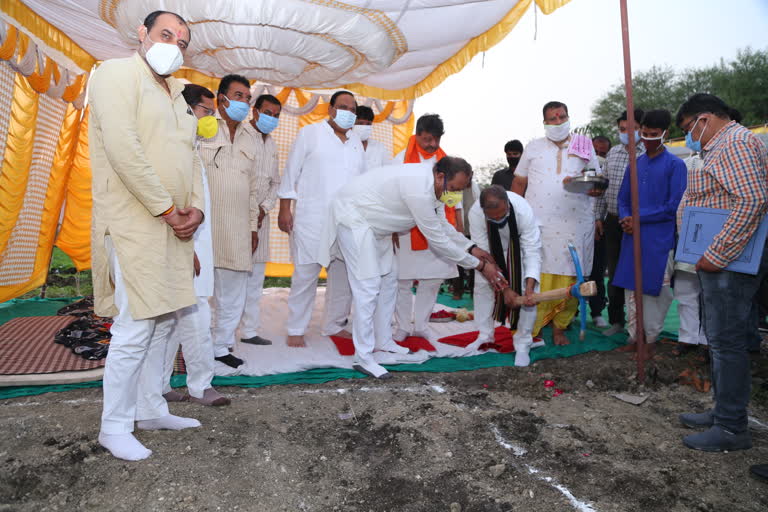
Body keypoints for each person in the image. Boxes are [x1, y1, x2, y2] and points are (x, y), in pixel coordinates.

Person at [89, 10, 204, 461]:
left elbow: (189, 156)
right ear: (142, 34)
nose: (173, 44)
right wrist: (167, 209)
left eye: (182, 40)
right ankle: (113, 426)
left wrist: (193, 207)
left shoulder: (177, 93)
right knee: (135, 325)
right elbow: (123, 148)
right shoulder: (116, 73)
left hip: (174, 224)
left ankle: (150, 408)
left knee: (163, 320)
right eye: (165, 34)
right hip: (136, 220)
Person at [320, 157, 504, 378]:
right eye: (454, 188)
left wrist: (472, 247)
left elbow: (442, 224)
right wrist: (479, 266)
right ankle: (364, 357)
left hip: (375, 224)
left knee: (390, 279)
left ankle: (384, 342)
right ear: (440, 177)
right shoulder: (419, 189)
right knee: (367, 287)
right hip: (354, 219)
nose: (454, 195)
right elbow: (436, 239)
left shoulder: (433, 185)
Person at [675, 93, 768, 452]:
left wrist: (716, 253)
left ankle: (731, 427)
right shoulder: (719, 147)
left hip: (729, 262)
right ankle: (724, 413)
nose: (688, 137)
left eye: (687, 129)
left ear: (705, 119)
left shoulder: (735, 142)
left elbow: (752, 199)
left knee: (727, 341)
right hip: (720, 260)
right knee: (720, 339)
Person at [161, 84, 230, 408]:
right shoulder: (172, 146)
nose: (210, 120)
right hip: (184, 246)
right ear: (186, 109)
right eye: (206, 112)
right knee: (195, 318)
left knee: (172, 321)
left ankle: (160, 385)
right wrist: (187, 251)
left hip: (192, 246)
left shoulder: (189, 147)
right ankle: (201, 386)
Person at [512, 101, 603, 346]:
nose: (558, 121)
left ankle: (560, 327)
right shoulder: (533, 147)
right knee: (538, 273)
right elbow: (519, 183)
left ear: (569, 117)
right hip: (539, 223)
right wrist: (515, 215)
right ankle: (536, 326)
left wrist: (595, 194)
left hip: (576, 222)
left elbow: (596, 180)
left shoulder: (584, 145)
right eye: (552, 118)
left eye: (562, 116)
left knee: (572, 274)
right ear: (544, 122)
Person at [277, 91, 364, 347]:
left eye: (353, 108)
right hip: (313, 219)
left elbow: (362, 182)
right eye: (343, 106)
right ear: (331, 109)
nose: (348, 112)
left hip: (347, 222)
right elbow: (291, 171)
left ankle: (334, 325)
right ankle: (295, 329)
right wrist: (285, 208)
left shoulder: (356, 142)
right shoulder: (310, 133)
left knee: (343, 277)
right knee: (305, 276)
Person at [198, 74, 262, 369]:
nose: (244, 103)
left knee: (234, 290)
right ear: (221, 97)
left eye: (247, 98)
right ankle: (194, 345)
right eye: (238, 96)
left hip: (237, 226)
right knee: (197, 291)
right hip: (203, 226)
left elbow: (255, 188)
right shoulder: (203, 127)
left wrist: (252, 227)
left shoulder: (253, 137)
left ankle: (221, 346)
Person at [613, 110, 687, 357]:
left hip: (659, 238)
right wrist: (625, 218)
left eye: (654, 135)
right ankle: (635, 337)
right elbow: (623, 198)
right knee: (631, 289)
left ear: (666, 134)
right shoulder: (635, 163)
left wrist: (638, 218)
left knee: (656, 290)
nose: (648, 139)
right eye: (644, 134)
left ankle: (651, 339)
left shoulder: (676, 165)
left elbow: (673, 205)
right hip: (631, 235)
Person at [391, 114, 462, 342]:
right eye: (427, 139)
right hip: (405, 229)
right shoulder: (400, 159)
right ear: (417, 134)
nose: (432, 144)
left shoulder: (446, 163)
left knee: (432, 280)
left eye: (436, 140)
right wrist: (391, 229)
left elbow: (454, 201)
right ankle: (402, 326)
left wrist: (457, 229)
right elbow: (390, 198)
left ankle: (421, 325)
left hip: (438, 229)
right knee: (402, 281)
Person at [467, 185, 543, 366]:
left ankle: (523, 343)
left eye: (502, 215)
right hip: (491, 251)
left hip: (519, 249)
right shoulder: (476, 213)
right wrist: (505, 289)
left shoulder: (523, 210)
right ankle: (485, 335)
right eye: (492, 218)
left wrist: (530, 287)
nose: (498, 219)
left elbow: (532, 250)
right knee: (482, 284)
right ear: (484, 211)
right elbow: (483, 253)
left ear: (507, 205)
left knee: (528, 291)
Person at [593, 110, 645, 336]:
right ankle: (617, 320)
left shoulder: (647, 154)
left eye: (632, 129)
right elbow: (603, 188)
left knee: (639, 272)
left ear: (642, 129)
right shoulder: (613, 153)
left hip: (641, 223)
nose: (627, 133)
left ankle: (641, 324)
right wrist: (598, 216)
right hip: (613, 221)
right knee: (614, 273)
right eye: (622, 130)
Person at [238, 94, 283, 347]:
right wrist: (252, 210)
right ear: (254, 112)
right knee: (230, 278)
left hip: (261, 218)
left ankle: (249, 331)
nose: (271, 119)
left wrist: (265, 208)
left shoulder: (272, 142)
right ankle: (218, 334)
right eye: (267, 113)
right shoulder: (241, 135)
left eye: (276, 115)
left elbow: (275, 182)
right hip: (237, 216)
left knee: (255, 277)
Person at [588, 135, 612, 328]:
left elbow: (604, 199)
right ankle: (570, 313)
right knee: (574, 271)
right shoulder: (579, 170)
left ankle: (597, 312)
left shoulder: (608, 173)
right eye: (595, 152)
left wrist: (598, 221)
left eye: (603, 153)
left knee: (597, 271)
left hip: (599, 229)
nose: (599, 156)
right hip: (575, 228)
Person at [354, 105, 391, 170]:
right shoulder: (345, 146)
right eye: (360, 123)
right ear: (352, 124)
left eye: (368, 124)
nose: (364, 127)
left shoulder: (379, 147)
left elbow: (388, 171)